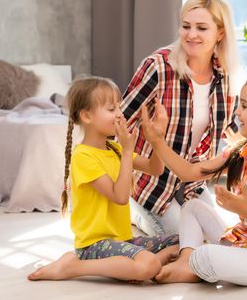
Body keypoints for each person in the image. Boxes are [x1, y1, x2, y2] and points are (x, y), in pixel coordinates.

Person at [140, 75, 247, 286]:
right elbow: (188, 172)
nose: (237, 112)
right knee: (193, 206)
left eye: (244, 105)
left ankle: (194, 264)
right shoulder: (241, 152)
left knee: (205, 255)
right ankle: (186, 262)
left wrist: (244, 209)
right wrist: (157, 141)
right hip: (244, 243)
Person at [28, 76, 179, 282]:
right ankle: (74, 267)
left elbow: (155, 169)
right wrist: (127, 152)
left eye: (119, 107)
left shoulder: (114, 149)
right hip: (94, 245)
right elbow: (120, 197)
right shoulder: (83, 157)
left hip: (123, 240)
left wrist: (157, 138)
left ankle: (136, 267)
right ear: (87, 116)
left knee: (183, 241)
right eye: (111, 109)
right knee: (149, 264)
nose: (119, 115)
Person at [121, 0, 245, 236]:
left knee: (220, 240)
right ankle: (130, 206)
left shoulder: (226, 76)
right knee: (184, 242)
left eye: (201, 28)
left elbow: (230, 129)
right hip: (151, 185)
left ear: (220, 33)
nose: (191, 34)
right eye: (186, 26)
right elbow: (118, 124)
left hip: (192, 183)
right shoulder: (158, 67)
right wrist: (128, 166)